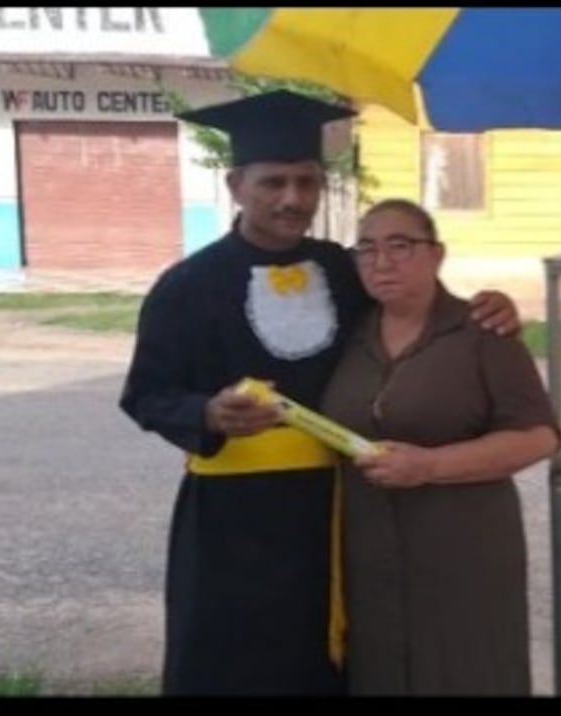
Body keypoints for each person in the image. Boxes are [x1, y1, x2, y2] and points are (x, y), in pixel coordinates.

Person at [118, 91, 521, 696]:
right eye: (273, 183)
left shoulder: (344, 270)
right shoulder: (186, 286)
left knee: (326, 660)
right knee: (229, 662)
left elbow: (416, 311)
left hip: (337, 507)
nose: (292, 199)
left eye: (306, 182)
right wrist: (205, 412)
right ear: (235, 186)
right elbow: (146, 394)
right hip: (231, 521)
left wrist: (489, 306)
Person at [319, 198, 560, 696]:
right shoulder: (346, 335)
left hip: (462, 556)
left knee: (465, 672)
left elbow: (539, 436)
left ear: (437, 254)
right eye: (367, 249)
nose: (382, 262)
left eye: (400, 246)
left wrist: (430, 465)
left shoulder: (482, 331)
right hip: (368, 560)